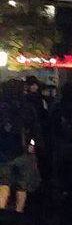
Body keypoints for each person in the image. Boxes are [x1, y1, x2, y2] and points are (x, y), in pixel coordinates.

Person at [0, 80, 42, 215]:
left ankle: (2, 211)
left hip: (4, 151)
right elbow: (35, 129)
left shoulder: (2, 107)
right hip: (24, 151)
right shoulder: (27, 107)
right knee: (22, 185)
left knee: (4, 183)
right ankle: (19, 212)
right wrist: (32, 144)